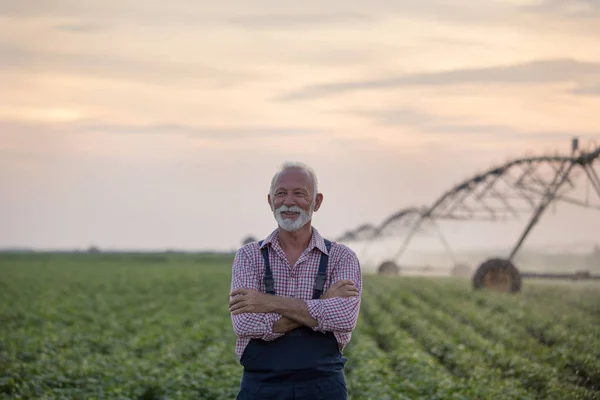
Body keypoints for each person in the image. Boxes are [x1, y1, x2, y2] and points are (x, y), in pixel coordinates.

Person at [229, 161, 362, 400]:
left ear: (317, 202)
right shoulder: (248, 256)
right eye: (281, 193)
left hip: (323, 387)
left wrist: (269, 303)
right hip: (261, 386)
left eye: (299, 193)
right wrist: (322, 303)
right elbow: (244, 323)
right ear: (270, 201)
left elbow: (344, 318)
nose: (288, 201)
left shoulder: (342, 257)